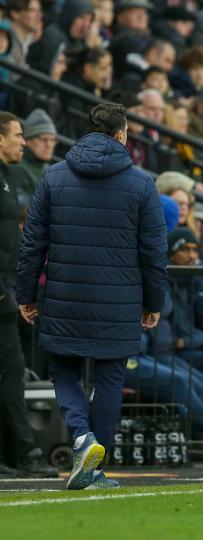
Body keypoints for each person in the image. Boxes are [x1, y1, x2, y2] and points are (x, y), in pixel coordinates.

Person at [16, 103, 168, 489]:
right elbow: (154, 250)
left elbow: (32, 243)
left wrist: (26, 293)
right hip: (120, 301)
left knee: (63, 370)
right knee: (110, 378)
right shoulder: (141, 183)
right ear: (120, 134)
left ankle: (82, 438)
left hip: (65, 295)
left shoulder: (52, 176)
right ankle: (94, 461)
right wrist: (154, 303)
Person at [0, 112, 58, 479]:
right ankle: (25, 453)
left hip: (6, 291)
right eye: (18, 135)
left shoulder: (6, 179)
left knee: (11, 371)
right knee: (12, 371)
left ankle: (15, 453)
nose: (23, 141)